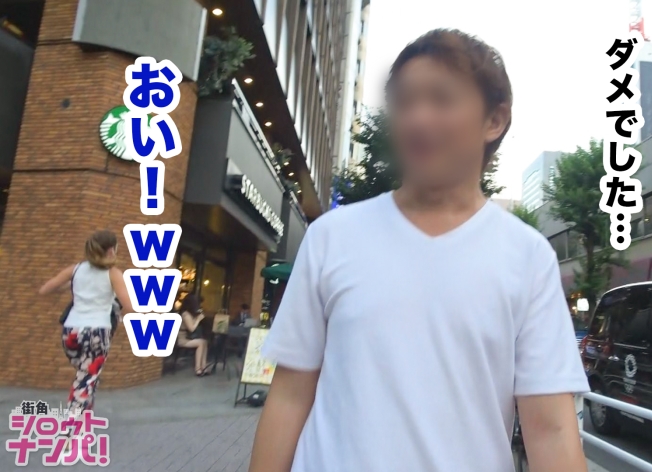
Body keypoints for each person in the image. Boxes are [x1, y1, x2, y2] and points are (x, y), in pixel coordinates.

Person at [250, 29, 589, 472]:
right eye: (404, 102)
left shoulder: (527, 257)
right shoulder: (332, 236)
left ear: (494, 119)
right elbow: (290, 396)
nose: (417, 118)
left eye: (441, 99)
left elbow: (551, 429)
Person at [39, 230, 132, 417]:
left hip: (70, 332)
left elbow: (45, 290)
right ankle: (71, 427)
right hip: (96, 332)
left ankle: (84, 417)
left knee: (87, 376)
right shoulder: (113, 274)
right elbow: (130, 306)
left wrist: (75, 285)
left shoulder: (75, 270)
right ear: (111, 250)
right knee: (85, 379)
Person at [177, 294, 211, 376]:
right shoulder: (185, 314)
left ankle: (203, 366)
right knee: (201, 343)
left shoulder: (189, 313)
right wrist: (198, 319)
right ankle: (198, 368)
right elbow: (191, 328)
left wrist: (198, 316)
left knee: (204, 342)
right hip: (182, 339)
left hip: (188, 338)